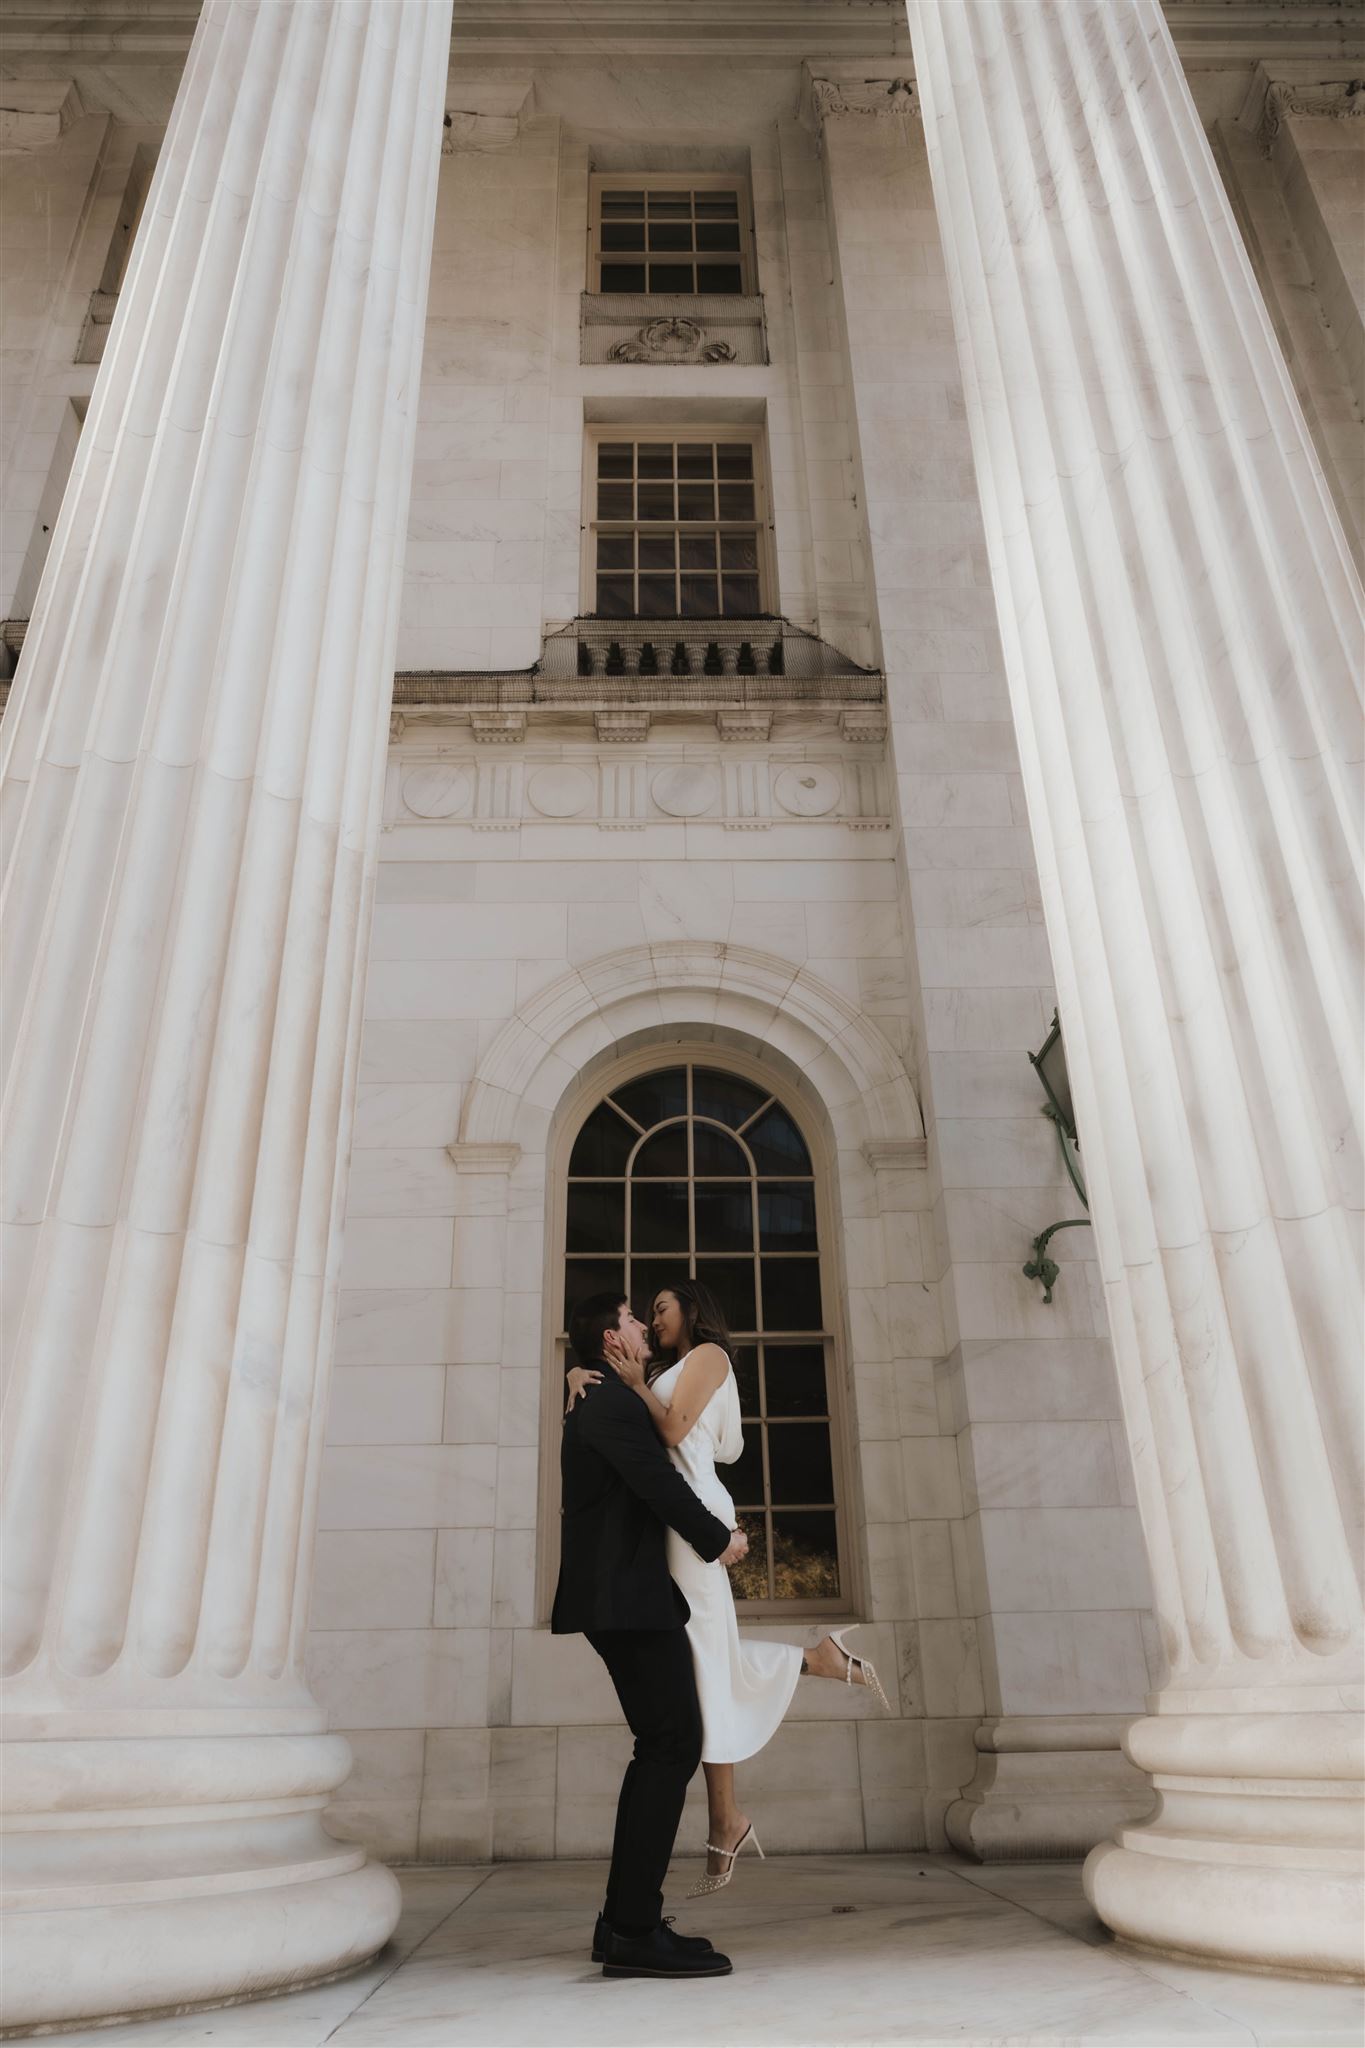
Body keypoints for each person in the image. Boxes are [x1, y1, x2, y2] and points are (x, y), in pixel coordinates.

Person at [567, 1279, 889, 1898]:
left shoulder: (709, 1357)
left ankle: (726, 1818)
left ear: (691, 1310)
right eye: (642, 1314)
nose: (652, 1320)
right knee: (702, 1664)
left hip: (697, 1519)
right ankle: (816, 1665)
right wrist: (579, 1373)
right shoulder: (658, 1366)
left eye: (659, 1309)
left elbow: (668, 1432)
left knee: (707, 1663)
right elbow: (629, 1416)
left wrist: (633, 1384)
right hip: (676, 1523)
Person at [551, 1290, 749, 1979]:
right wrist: (716, 1538)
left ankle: (623, 1922)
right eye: (633, 1319)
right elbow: (651, 1482)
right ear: (612, 1341)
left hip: (625, 1599)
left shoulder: (601, 1398)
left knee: (662, 1745)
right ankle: (632, 1929)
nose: (643, 1327)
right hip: (625, 1601)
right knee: (671, 1745)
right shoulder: (607, 1404)